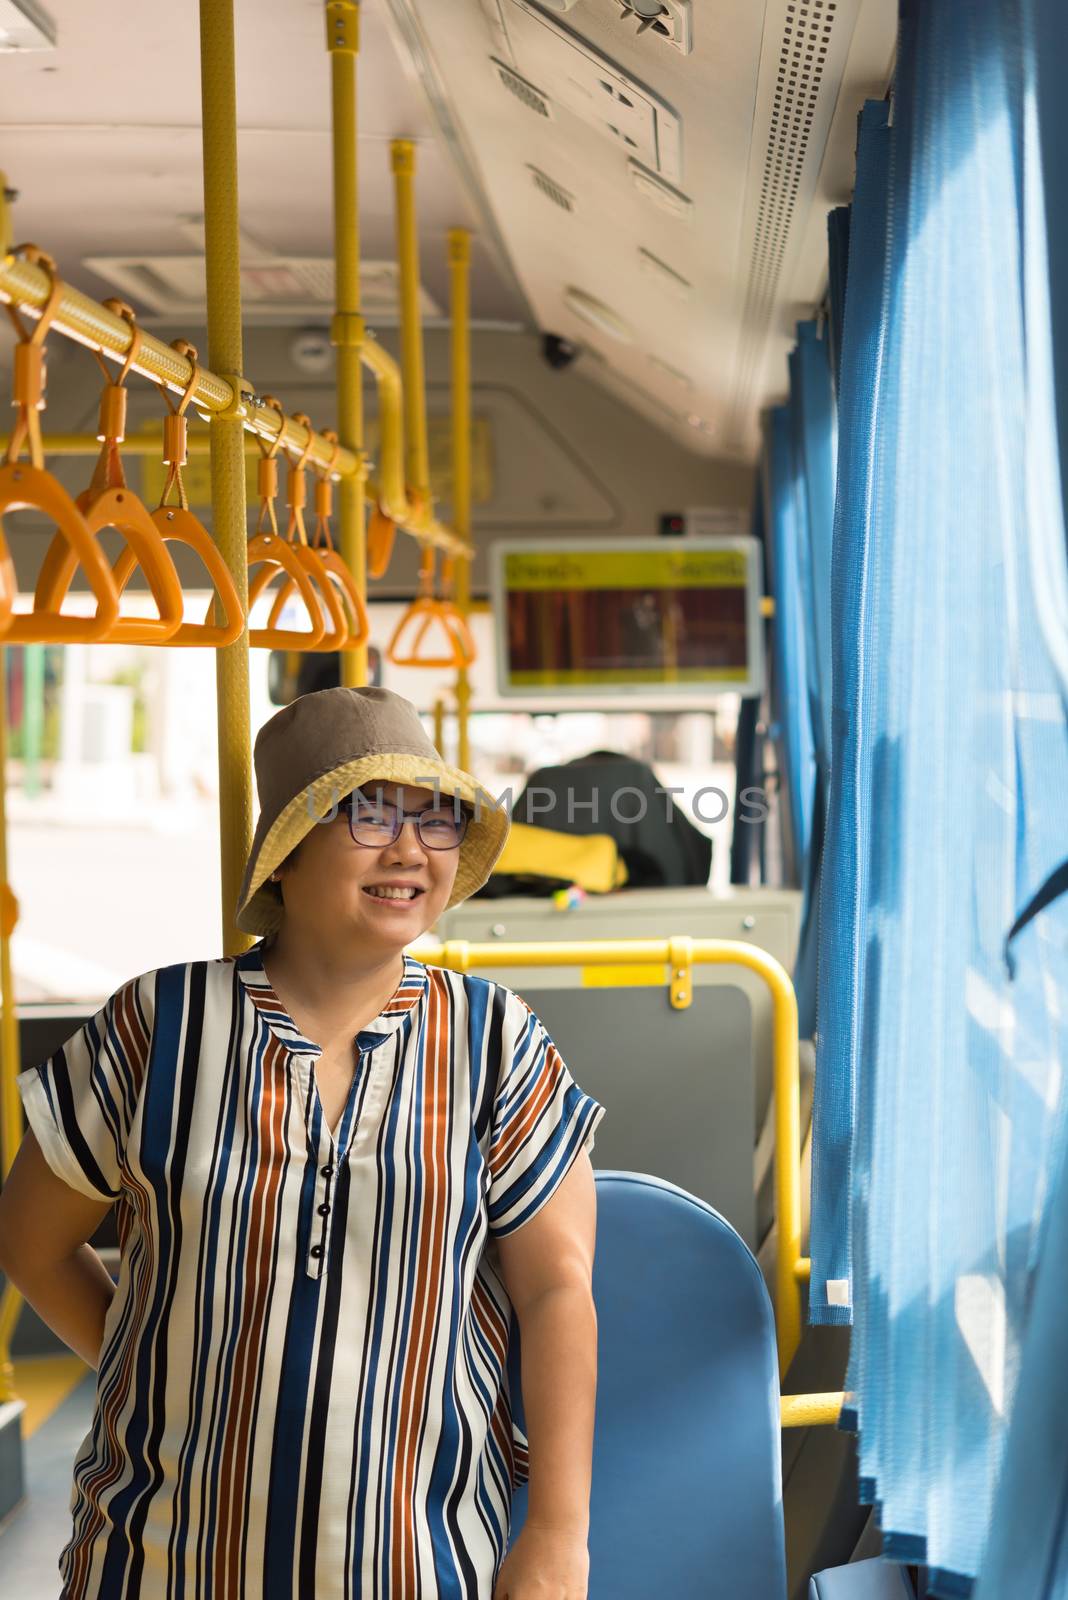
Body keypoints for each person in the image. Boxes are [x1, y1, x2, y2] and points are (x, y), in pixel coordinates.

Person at [0, 686, 604, 1600]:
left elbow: (558, 1290)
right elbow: (31, 1241)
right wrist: (158, 1379)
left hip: (420, 1561)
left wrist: (560, 1535)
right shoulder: (158, 1025)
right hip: (158, 1557)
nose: (409, 849)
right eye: (368, 814)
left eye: (435, 820)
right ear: (284, 854)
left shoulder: (495, 1041)